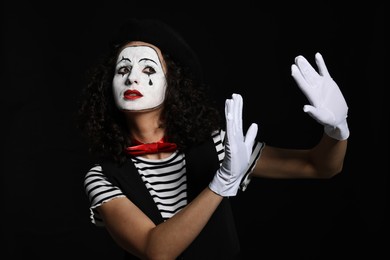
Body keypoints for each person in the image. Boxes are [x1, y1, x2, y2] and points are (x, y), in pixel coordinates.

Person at [77, 18, 349, 260]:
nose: (132, 78)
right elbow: (155, 250)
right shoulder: (102, 177)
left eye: (148, 69)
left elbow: (321, 166)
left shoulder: (219, 145)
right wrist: (221, 183)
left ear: (173, 83)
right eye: (122, 70)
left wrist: (337, 131)